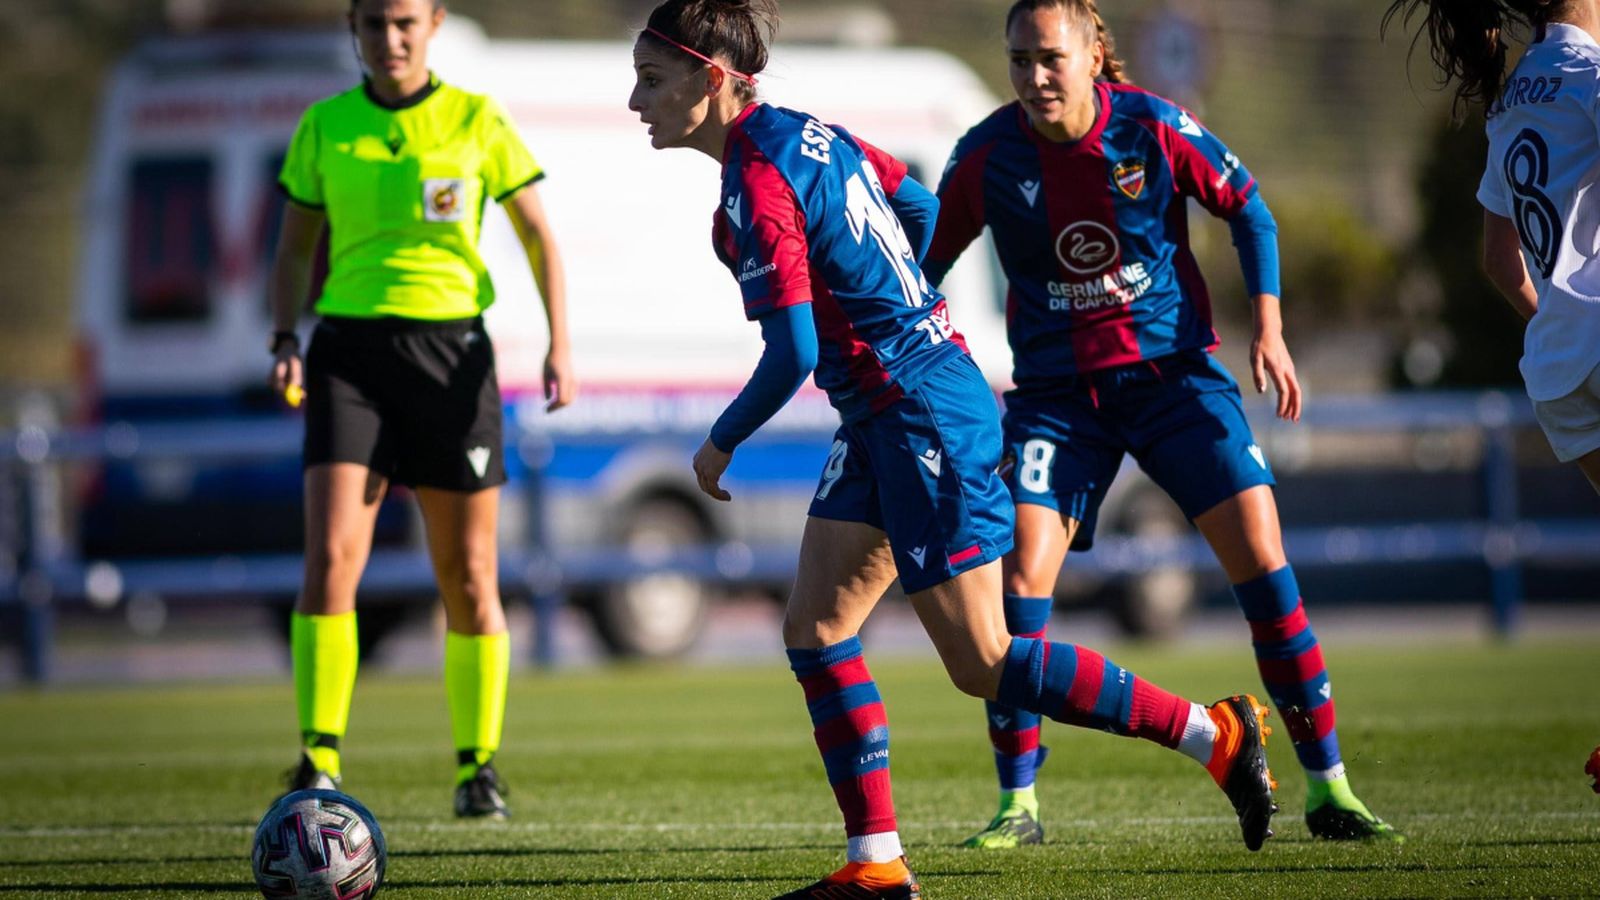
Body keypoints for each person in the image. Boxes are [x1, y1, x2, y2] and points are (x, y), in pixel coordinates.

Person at [628, 1, 1277, 895]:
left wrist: (720, 441)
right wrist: (902, 309)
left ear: (711, 79)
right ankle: (877, 867)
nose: (636, 99)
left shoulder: (756, 183)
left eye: (652, 79)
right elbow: (918, 202)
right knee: (816, 630)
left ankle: (1214, 733)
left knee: (983, 660)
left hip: (917, 409)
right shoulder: (807, 133)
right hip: (890, 405)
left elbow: (795, 353)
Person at [924, 0, 1400, 848]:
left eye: (1050, 58)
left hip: (1174, 380)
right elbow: (926, 265)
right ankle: (1017, 807)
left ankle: (1330, 789)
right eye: (1019, 60)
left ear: (1091, 54)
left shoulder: (1150, 127)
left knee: (1262, 560)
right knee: (1020, 586)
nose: (1034, 76)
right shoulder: (988, 154)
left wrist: (1272, 327)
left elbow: (1250, 209)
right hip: (1057, 403)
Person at [267, 0, 575, 818]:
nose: (390, 38)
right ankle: (318, 760)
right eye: (373, 23)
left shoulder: (477, 119)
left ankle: (478, 767)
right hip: (349, 360)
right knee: (331, 559)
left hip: (452, 361)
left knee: (468, 575)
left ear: (434, 24)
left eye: (405, 22)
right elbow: (294, 245)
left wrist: (559, 343)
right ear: (354, 30)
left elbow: (541, 235)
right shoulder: (326, 126)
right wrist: (282, 336)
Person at [1383, 0, 1600, 494]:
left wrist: (1562, 319)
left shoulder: (1508, 101)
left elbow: (1500, 260)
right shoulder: (1591, 75)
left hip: (1558, 370)